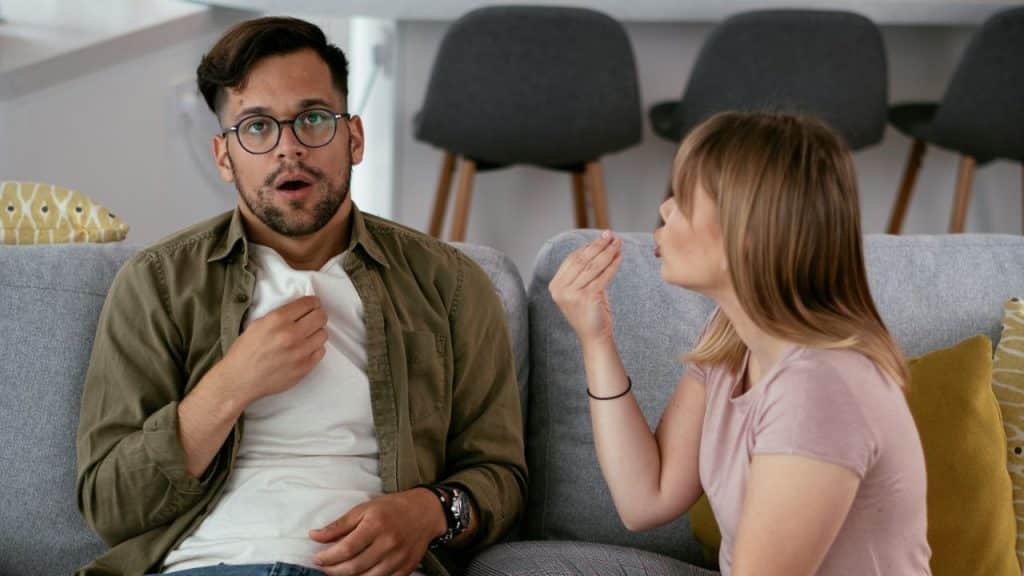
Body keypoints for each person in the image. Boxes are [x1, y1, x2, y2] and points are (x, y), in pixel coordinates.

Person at [75, 16, 526, 576]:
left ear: (353, 137)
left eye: (313, 119)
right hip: (209, 565)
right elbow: (109, 506)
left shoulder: (450, 284)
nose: (288, 149)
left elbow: (502, 476)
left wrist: (430, 510)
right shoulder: (157, 283)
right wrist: (230, 384)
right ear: (223, 156)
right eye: (257, 127)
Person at [549, 112, 931, 576]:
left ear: (746, 236)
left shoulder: (820, 386)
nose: (665, 209)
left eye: (686, 200)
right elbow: (644, 498)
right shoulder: (732, 338)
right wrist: (596, 339)